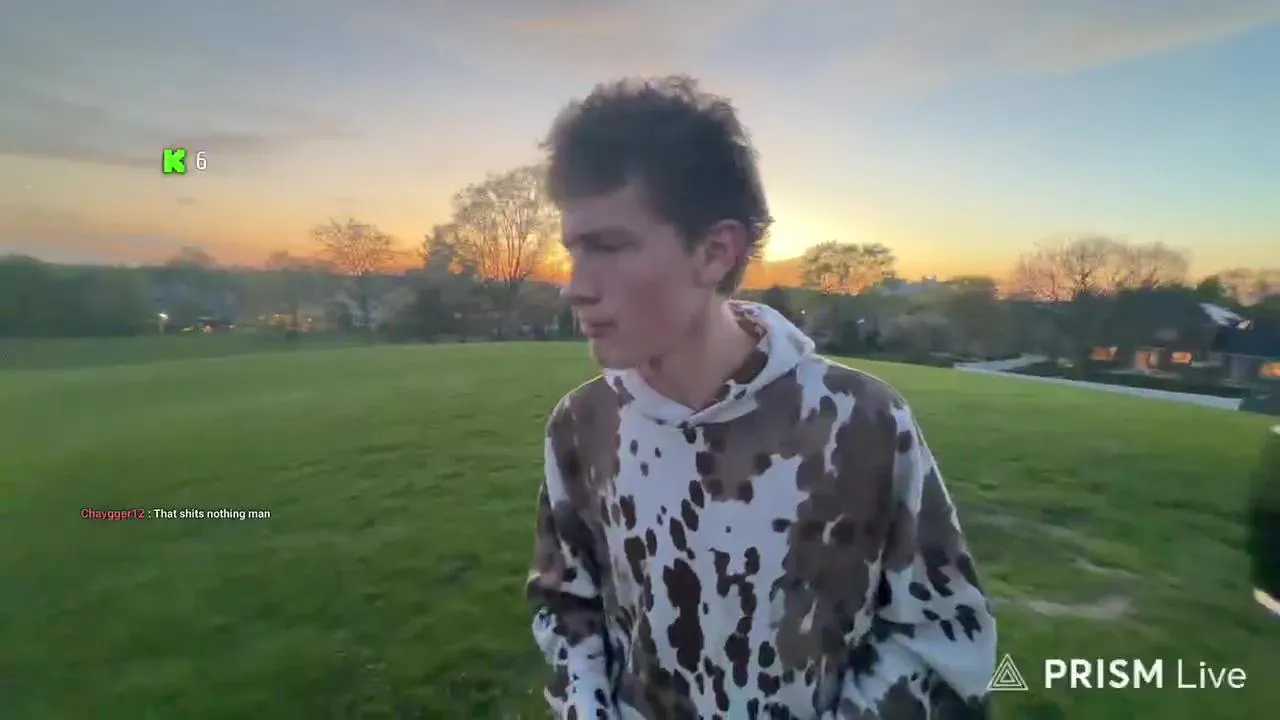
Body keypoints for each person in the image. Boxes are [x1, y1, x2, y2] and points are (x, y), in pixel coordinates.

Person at [526, 75, 997, 719]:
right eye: (573, 250)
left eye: (608, 246)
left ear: (715, 252)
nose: (574, 287)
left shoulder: (862, 423)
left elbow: (943, 637)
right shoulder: (581, 426)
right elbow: (565, 605)